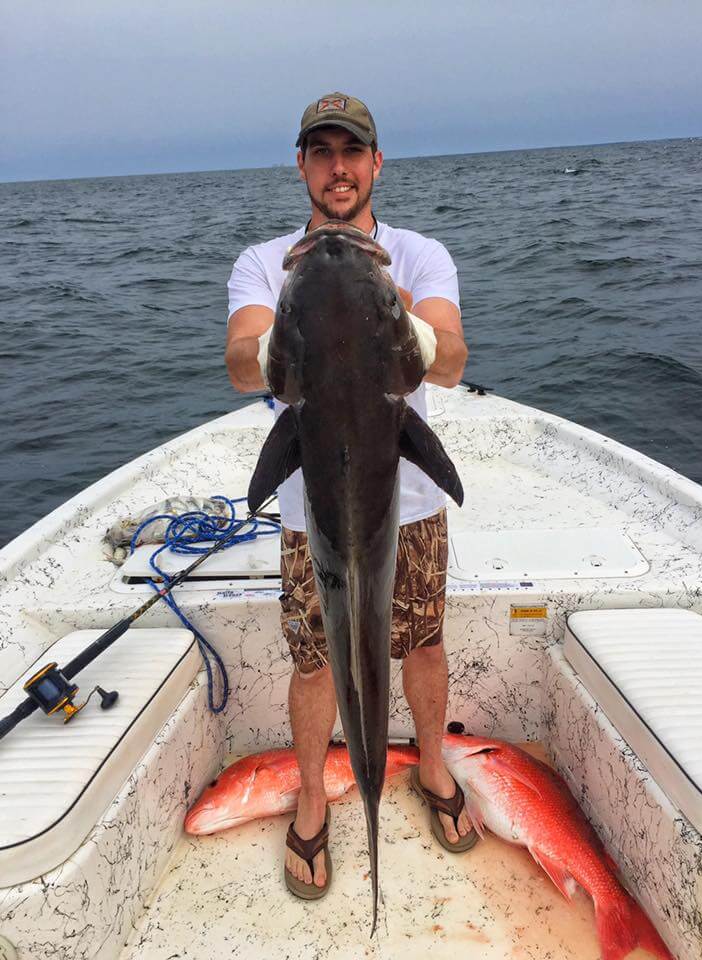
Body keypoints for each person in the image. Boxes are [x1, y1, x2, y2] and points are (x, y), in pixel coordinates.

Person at [225, 92, 473, 899]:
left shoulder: (418, 253)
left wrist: (372, 293)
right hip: (309, 516)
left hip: (410, 509)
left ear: (375, 163)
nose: (339, 166)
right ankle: (313, 800)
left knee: (422, 643)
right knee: (317, 660)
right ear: (301, 164)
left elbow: (449, 359)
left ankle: (428, 765)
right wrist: (302, 312)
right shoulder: (265, 264)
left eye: (352, 151)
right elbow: (240, 362)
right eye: (322, 151)